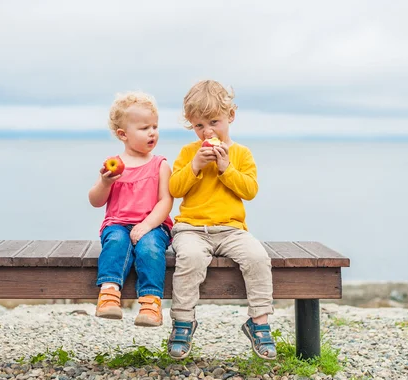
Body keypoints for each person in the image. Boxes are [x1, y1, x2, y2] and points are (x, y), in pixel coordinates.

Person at [167, 80, 276, 359]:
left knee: (258, 258)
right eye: (199, 126)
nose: (208, 131)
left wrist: (226, 168)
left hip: (231, 229)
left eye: (214, 121)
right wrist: (195, 166)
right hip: (191, 228)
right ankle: (183, 321)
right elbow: (174, 189)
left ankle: (259, 322)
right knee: (189, 260)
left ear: (231, 116)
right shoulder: (188, 154)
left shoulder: (241, 154)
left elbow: (250, 190)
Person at [88, 91, 173, 327]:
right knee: (115, 241)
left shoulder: (160, 165)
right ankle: (109, 293)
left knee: (150, 249)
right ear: (123, 134)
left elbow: (165, 201)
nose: (152, 132)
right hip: (117, 223)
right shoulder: (114, 165)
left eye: (155, 126)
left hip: (152, 225)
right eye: (144, 128)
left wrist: (147, 225)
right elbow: (95, 200)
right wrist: (105, 182)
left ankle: (150, 302)